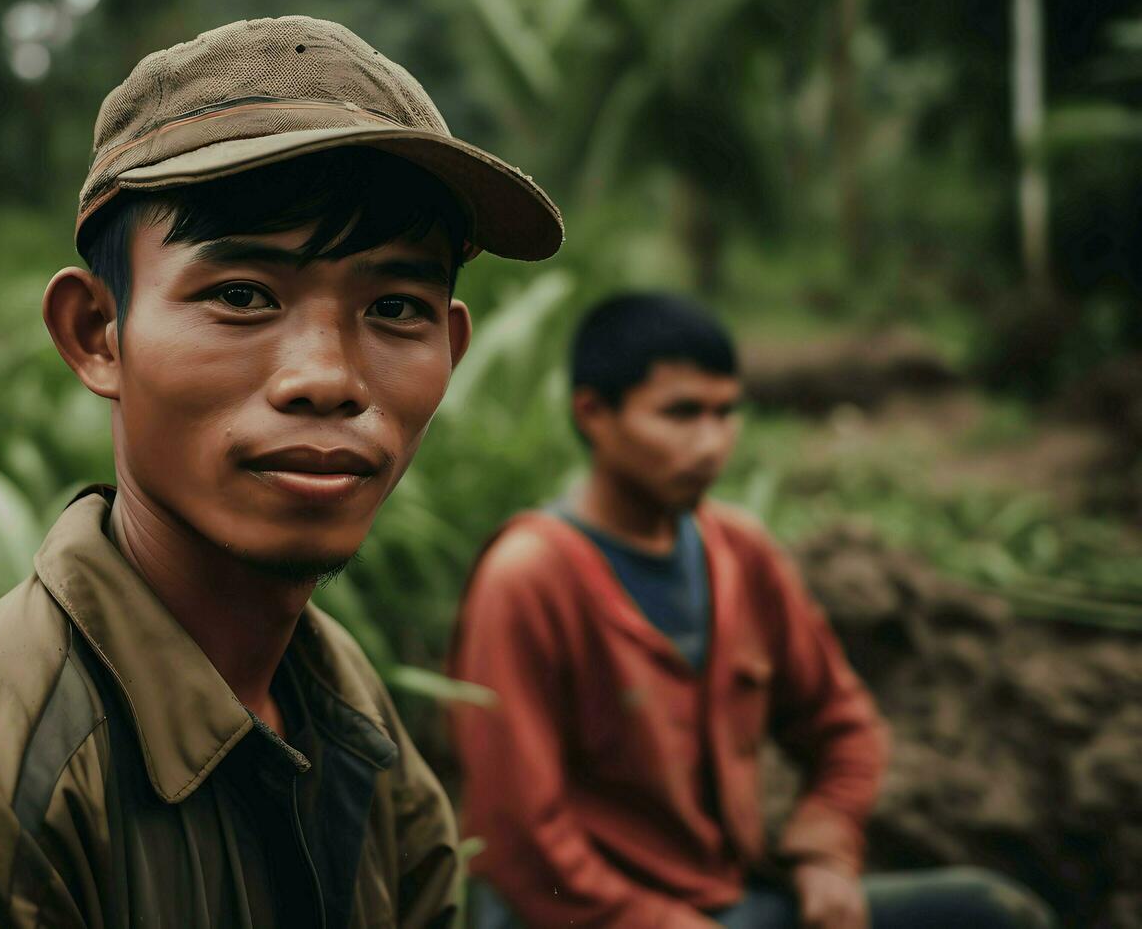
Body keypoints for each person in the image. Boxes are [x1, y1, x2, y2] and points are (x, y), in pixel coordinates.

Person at [0, 16, 563, 928]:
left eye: (396, 306)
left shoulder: (347, 720)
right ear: (97, 335)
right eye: (242, 296)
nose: (328, 378)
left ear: (451, 348)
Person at [447, 292, 1055, 929]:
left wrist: (825, 853)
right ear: (594, 414)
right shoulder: (528, 579)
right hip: (595, 920)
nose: (711, 443)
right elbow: (519, 840)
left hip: (727, 906)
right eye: (681, 414)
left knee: (990, 913)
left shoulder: (740, 554)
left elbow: (842, 724)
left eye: (726, 412)